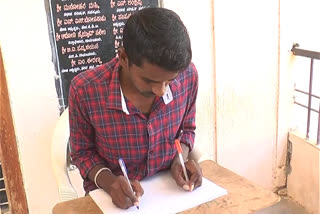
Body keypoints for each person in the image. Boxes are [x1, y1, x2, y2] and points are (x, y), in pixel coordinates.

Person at [69, 7, 202, 210]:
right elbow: (82, 153)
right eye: (149, 80)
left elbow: (187, 130)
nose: (160, 90)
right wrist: (111, 183)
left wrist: (180, 160)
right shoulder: (85, 91)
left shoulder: (188, 76)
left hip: (171, 193)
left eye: (170, 80)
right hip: (113, 197)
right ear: (123, 58)